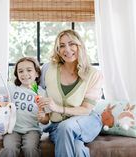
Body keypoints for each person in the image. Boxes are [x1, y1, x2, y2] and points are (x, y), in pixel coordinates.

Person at [38, 29, 103, 157]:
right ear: (58, 50)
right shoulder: (48, 69)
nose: (67, 49)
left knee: (66, 127)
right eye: (62, 46)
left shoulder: (94, 74)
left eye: (71, 44)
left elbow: (86, 110)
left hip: (87, 121)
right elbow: (39, 99)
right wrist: (43, 116)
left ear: (80, 46)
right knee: (77, 148)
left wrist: (58, 108)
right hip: (57, 127)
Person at [0, 57, 49, 157]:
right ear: (17, 75)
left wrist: (43, 117)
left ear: (37, 73)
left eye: (29, 70)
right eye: (20, 71)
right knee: (9, 149)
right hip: (12, 129)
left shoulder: (42, 93)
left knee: (30, 148)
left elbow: (46, 119)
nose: (25, 74)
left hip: (32, 130)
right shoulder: (12, 89)